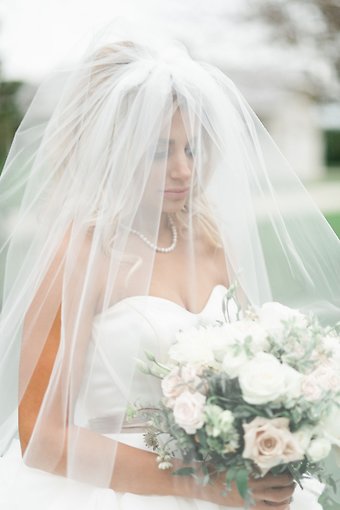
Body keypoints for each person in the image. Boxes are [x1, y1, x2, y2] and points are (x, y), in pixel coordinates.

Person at [0, 35, 339, 510]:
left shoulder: (211, 240)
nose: (184, 170)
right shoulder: (79, 255)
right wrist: (200, 484)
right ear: (109, 152)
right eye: (160, 152)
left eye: (193, 149)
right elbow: (42, 436)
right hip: (115, 487)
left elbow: (243, 375)